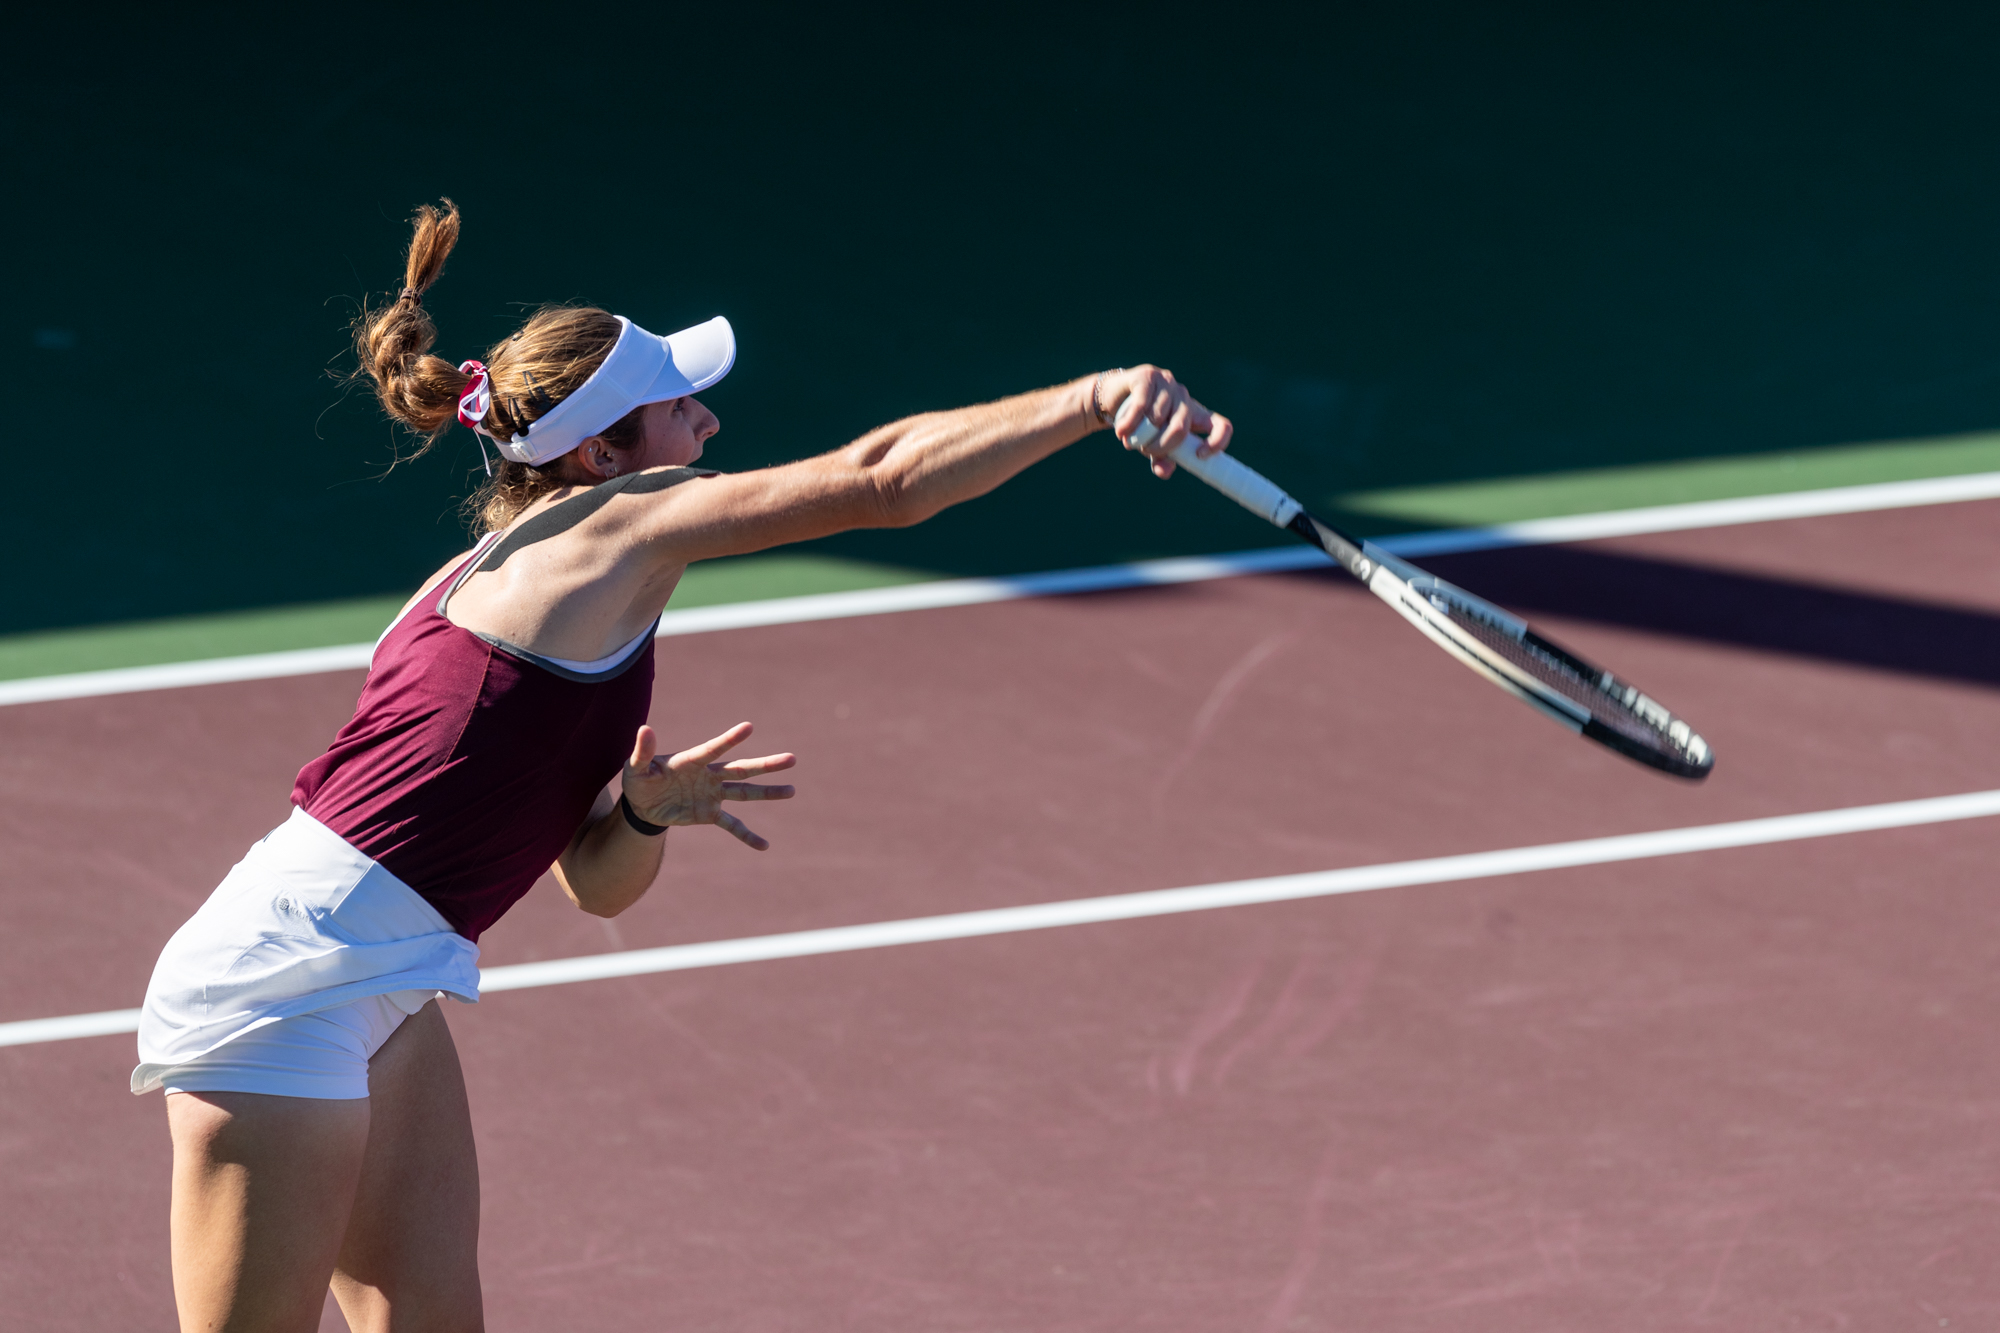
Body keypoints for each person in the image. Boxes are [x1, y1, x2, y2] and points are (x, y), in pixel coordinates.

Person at [132, 199, 1234, 1331]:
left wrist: (643, 815)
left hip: (384, 979)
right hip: (277, 985)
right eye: (677, 408)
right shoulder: (616, 528)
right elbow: (882, 481)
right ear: (604, 456)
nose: (707, 424)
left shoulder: (535, 578)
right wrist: (1094, 398)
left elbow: (590, 884)